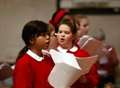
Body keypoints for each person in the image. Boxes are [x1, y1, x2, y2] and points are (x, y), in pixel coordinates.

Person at [51, 16, 99, 88]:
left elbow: (95, 80)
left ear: (73, 36)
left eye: (66, 33)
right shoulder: (51, 54)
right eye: (60, 32)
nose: (62, 35)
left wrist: (85, 80)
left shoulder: (83, 55)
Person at [13, 20, 54, 88]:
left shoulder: (48, 57)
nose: (48, 37)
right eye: (43, 35)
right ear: (31, 40)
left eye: (48, 34)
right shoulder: (23, 64)